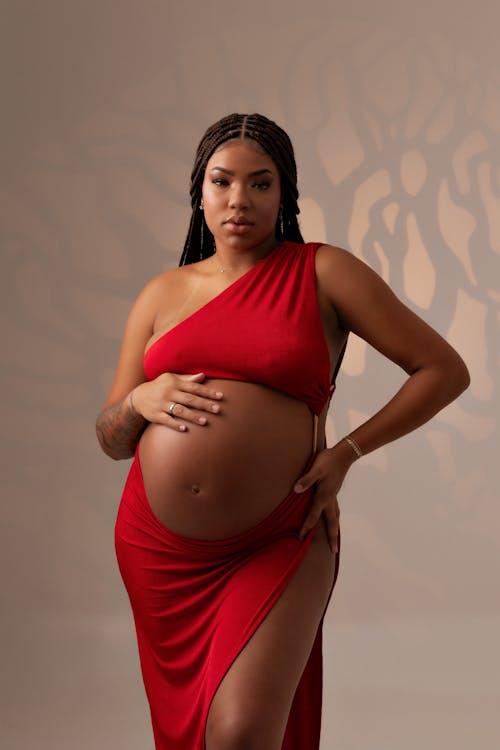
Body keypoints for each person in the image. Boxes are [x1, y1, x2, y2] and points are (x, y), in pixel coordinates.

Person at [95, 113, 469, 750]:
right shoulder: (161, 293)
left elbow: (443, 370)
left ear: (285, 194)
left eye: (260, 184)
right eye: (222, 182)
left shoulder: (323, 272)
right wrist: (140, 398)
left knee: (241, 732)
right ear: (200, 192)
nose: (239, 200)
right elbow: (110, 436)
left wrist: (348, 453)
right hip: (159, 549)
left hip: (281, 534)